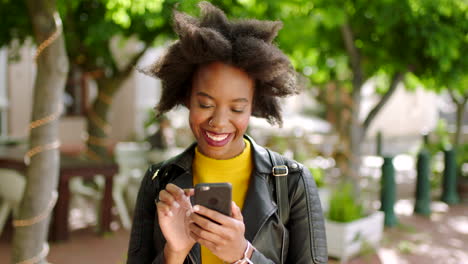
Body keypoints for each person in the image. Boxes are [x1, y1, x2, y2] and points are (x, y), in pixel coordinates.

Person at [127, 2, 327, 264]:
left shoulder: (292, 182)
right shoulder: (159, 180)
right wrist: (174, 252)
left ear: (253, 106)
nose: (219, 122)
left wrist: (242, 255)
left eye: (237, 108)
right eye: (206, 104)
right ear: (187, 98)